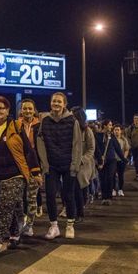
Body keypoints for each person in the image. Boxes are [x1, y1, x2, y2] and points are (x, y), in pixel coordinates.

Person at [0, 96, 41, 257]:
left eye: (1, 108)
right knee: (6, 206)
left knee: (6, 205)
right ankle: (15, 233)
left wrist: (35, 172)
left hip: (15, 175)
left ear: (7, 111)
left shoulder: (17, 126)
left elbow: (29, 151)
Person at [37, 92, 82, 240]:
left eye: (59, 102)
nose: (56, 104)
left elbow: (77, 144)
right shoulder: (45, 120)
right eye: (54, 101)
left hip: (68, 164)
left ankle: (70, 225)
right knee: (50, 195)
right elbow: (40, 141)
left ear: (64, 104)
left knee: (68, 195)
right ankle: (54, 226)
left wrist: (75, 165)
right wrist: (44, 163)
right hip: (51, 165)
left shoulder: (72, 121)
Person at [16, 98, 43, 236]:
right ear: (21, 110)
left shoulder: (40, 125)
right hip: (19, 165)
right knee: (19, 197)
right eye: (25, 108)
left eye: (30, 109)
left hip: (35, 165)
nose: (27, 111)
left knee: (31, 197)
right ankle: (21, 222)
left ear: (34, 110)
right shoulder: (15, 125)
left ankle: (30, 226)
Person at [70, 107, 96, 222]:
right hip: (71, 163)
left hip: (83, 165)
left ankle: (79, 213)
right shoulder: (69, 129)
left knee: (78, 187)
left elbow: (91, 149)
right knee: (74, 189)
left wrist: (82, 159)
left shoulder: (87, 131)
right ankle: (75, 212)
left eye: (73, 116)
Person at [95, 120, 127, 205]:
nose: (111, 126)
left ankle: (108, 198)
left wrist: (123, 158)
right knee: (102, 179)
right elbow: (96, 148)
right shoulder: (97, 136)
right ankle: (104, 197)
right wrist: (99, 158)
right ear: (104, 126)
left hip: (111, 160)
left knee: (109, 178)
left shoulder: (112, 136)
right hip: (101, 161)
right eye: (109, 125)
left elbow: (117, 148)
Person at [113, 125, 130, 196]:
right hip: (113, 160)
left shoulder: (124, 139)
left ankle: (120, 190)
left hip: (121, 160)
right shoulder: (111, 139)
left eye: (118, 130)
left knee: (121, 175)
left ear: (121, 131)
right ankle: (113, 189)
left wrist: (124, 158)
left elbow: (127, 149)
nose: (116, 131)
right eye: (115, 130)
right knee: (113, 176)